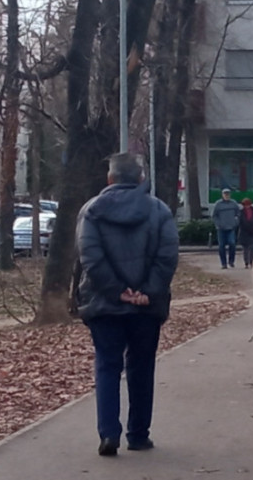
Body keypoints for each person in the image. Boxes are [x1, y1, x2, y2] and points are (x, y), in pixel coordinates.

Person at [74, 153, 180, 457]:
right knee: (142, 366)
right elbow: (168, 255)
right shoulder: (159, 210)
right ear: (141, 179)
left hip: (103, 303)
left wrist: (117, 291)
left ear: (110, 179)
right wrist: (148, 291)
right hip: (147, 307)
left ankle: (109, 433)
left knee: (107, 366)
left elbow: (90, 256)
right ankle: (138, 434)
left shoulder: (91, 211)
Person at [211, 188, 240, 269]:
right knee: (221, 246)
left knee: (232, 244)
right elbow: (214, 216)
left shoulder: (233, 204)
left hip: (231, 228)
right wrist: (217, 224)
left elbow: (238, 214)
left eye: (228, 194)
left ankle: (231, 261)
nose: (226, 195)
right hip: (221, 229)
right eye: (225, 194)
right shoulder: (218, 204)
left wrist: (236, 222)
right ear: (222, 195)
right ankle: (223, 263)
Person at [238, 198, 253, 268]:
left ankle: (252, 262)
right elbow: (241, 222)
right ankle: (246, 262)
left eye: (248, 204)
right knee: (245, 249)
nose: (246, 206)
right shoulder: (241, 212)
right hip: (244, 232)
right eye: (245, 205)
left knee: (252, 248)